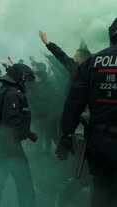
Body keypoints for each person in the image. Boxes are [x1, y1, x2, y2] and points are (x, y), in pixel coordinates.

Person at [56, 18, 117, 207]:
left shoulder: (93, 61)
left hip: (98, 141)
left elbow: (74, 102)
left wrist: (66, 132)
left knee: (101, 192)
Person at [0, 64, 38, 207]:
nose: (28, 84)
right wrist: (29, 134)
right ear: (21, 78)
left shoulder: (1, 91)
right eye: (27, 80)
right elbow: (11, 120)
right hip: (9, 144)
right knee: (24, 182)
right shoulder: (13, 94)